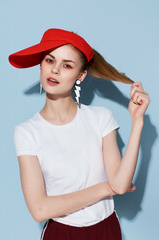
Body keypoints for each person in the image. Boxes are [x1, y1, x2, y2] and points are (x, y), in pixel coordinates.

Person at [9, 28, 150, 240]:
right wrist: (104, 188)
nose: (55, 70)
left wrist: (137, 121)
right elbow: (40, 210)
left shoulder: (101, 118)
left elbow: (120, 185)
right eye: (50, 60)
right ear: (40, 64)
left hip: (106, 230)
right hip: (61, 233)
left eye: (67, 65)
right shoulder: (27, 132)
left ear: (81, 75)